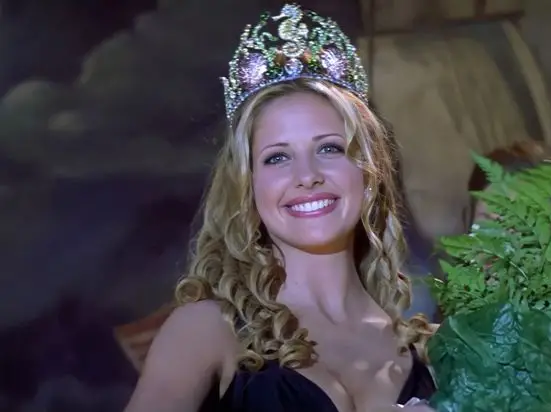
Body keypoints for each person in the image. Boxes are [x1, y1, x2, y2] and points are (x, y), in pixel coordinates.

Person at [123, 4, 436, 412]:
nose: (307, 176)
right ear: (247, 186)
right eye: (277, 157)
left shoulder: (433, 351)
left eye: (329, 149)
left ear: (369, 170)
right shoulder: (206, 330)